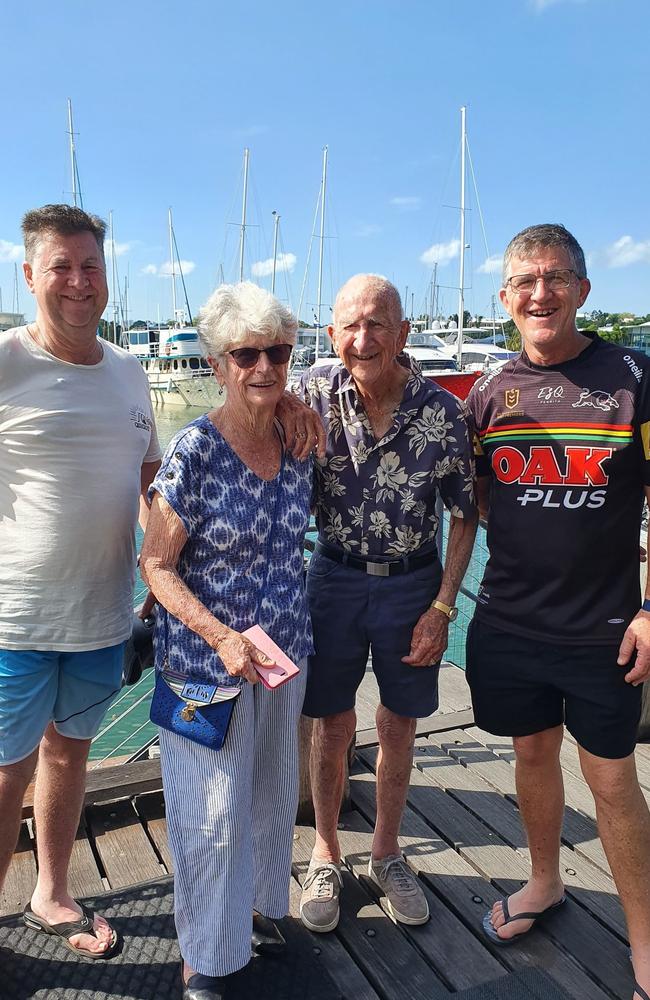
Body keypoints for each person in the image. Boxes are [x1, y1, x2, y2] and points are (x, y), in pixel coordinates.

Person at [465, 224, 650, 1000]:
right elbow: (471, 504)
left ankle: (643, 937)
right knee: (531, 757)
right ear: (505, 298)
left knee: (611, 780)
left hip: (605, 628)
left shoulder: (634, 378)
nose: (541, 293)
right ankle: (545, 882)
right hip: (510, 623)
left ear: (582, 288)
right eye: (525, 281)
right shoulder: (485, 393)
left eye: (557, 277)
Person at [284, 274, 478, 932]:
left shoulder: (441, 412)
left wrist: (445, 606)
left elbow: (465, 517)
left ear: (402, 333)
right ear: (332, 333)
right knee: (332, 724)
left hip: (411, 583)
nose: (363, 339)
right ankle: (326, 851)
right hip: (333, 578)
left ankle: (388, 853)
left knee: (399, 724)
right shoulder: (310, 394)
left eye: (377, 325)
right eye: (350, 325)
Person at [140, 282, 313, 1000]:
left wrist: (294, 405)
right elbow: (155, 565)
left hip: (283, 658)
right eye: (247, 354)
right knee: (208, 816)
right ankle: (203, 960)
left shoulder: (299, 433)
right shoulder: (195, 452)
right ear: (217, 362)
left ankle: (248, 914)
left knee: (270, 796)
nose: (264, 367)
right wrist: (217, 635)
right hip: (203, 669)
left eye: (277, 351)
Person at [0, 204, 161, 958]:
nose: (77, 281)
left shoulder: (131, 371)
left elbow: (151, 481)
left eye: (90, 266)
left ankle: (53, 893)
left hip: (103, 615)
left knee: (70, 756)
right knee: (4, 776)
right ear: (29, 274)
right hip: (14, 620)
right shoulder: (6, 361)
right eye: (60, 265)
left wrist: (163, 576)